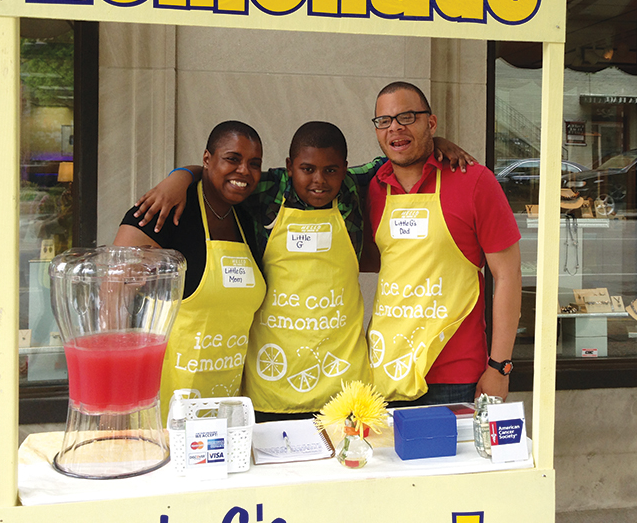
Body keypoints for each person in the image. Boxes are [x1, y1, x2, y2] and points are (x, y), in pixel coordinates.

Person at [133, 123, 475, 418]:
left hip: (345, 385)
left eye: (331, 171)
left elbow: (399, 154)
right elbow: (225, 174)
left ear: (344, 168)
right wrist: (181, 176)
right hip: (272, 385)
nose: (319, 181)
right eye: (307, 169)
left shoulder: (354, 187)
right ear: (288, 167)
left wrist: (436, 144)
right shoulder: (266, 191)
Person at [364, 81, 522, 405]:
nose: (395, 128)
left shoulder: (475, 181)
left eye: (407, 117)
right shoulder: (372, 186)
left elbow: (508, 276)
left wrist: (500, 366)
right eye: (385, 121)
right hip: (384, 370)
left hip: (455, 377)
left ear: (431, 123)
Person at [114, 121, 267, 411]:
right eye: (232, 159)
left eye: (254, 163)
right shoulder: (165, 212)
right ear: (207, 159)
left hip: (227, 400)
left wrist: (184, 174)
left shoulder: (246, 220)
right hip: (163, 401)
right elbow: (112, 292)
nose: (244, 171)